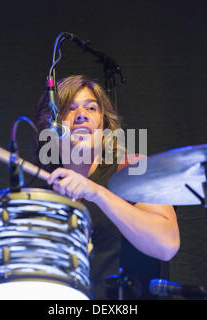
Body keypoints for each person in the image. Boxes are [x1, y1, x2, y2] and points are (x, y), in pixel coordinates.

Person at [34, 75, 180, 299]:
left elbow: (166, 245)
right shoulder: (44, 194)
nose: (81, 115)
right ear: (51, 126)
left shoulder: (132, 168)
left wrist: (95, 191)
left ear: (105, 124)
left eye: (91, 108)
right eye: (69, 109)